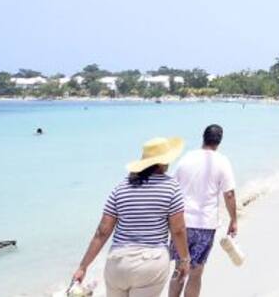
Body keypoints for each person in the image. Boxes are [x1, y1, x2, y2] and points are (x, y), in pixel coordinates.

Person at [71, 136, 190, 296]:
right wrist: (184, 260)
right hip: (151, 262)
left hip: (117, 262)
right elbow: (178, 230)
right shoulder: (171, 187)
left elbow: (102, 232)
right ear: (162, 162)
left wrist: (83, 267)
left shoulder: (121, 187)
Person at [169, 124, 237, 297]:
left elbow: (171, 188)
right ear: (219, 141)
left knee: (179, 268)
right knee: (196, 271)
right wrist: (233, 219)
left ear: (203, 137)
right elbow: (229, 194)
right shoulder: (222, 161)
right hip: (205, 225)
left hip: (181, 224)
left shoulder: (186, 158)